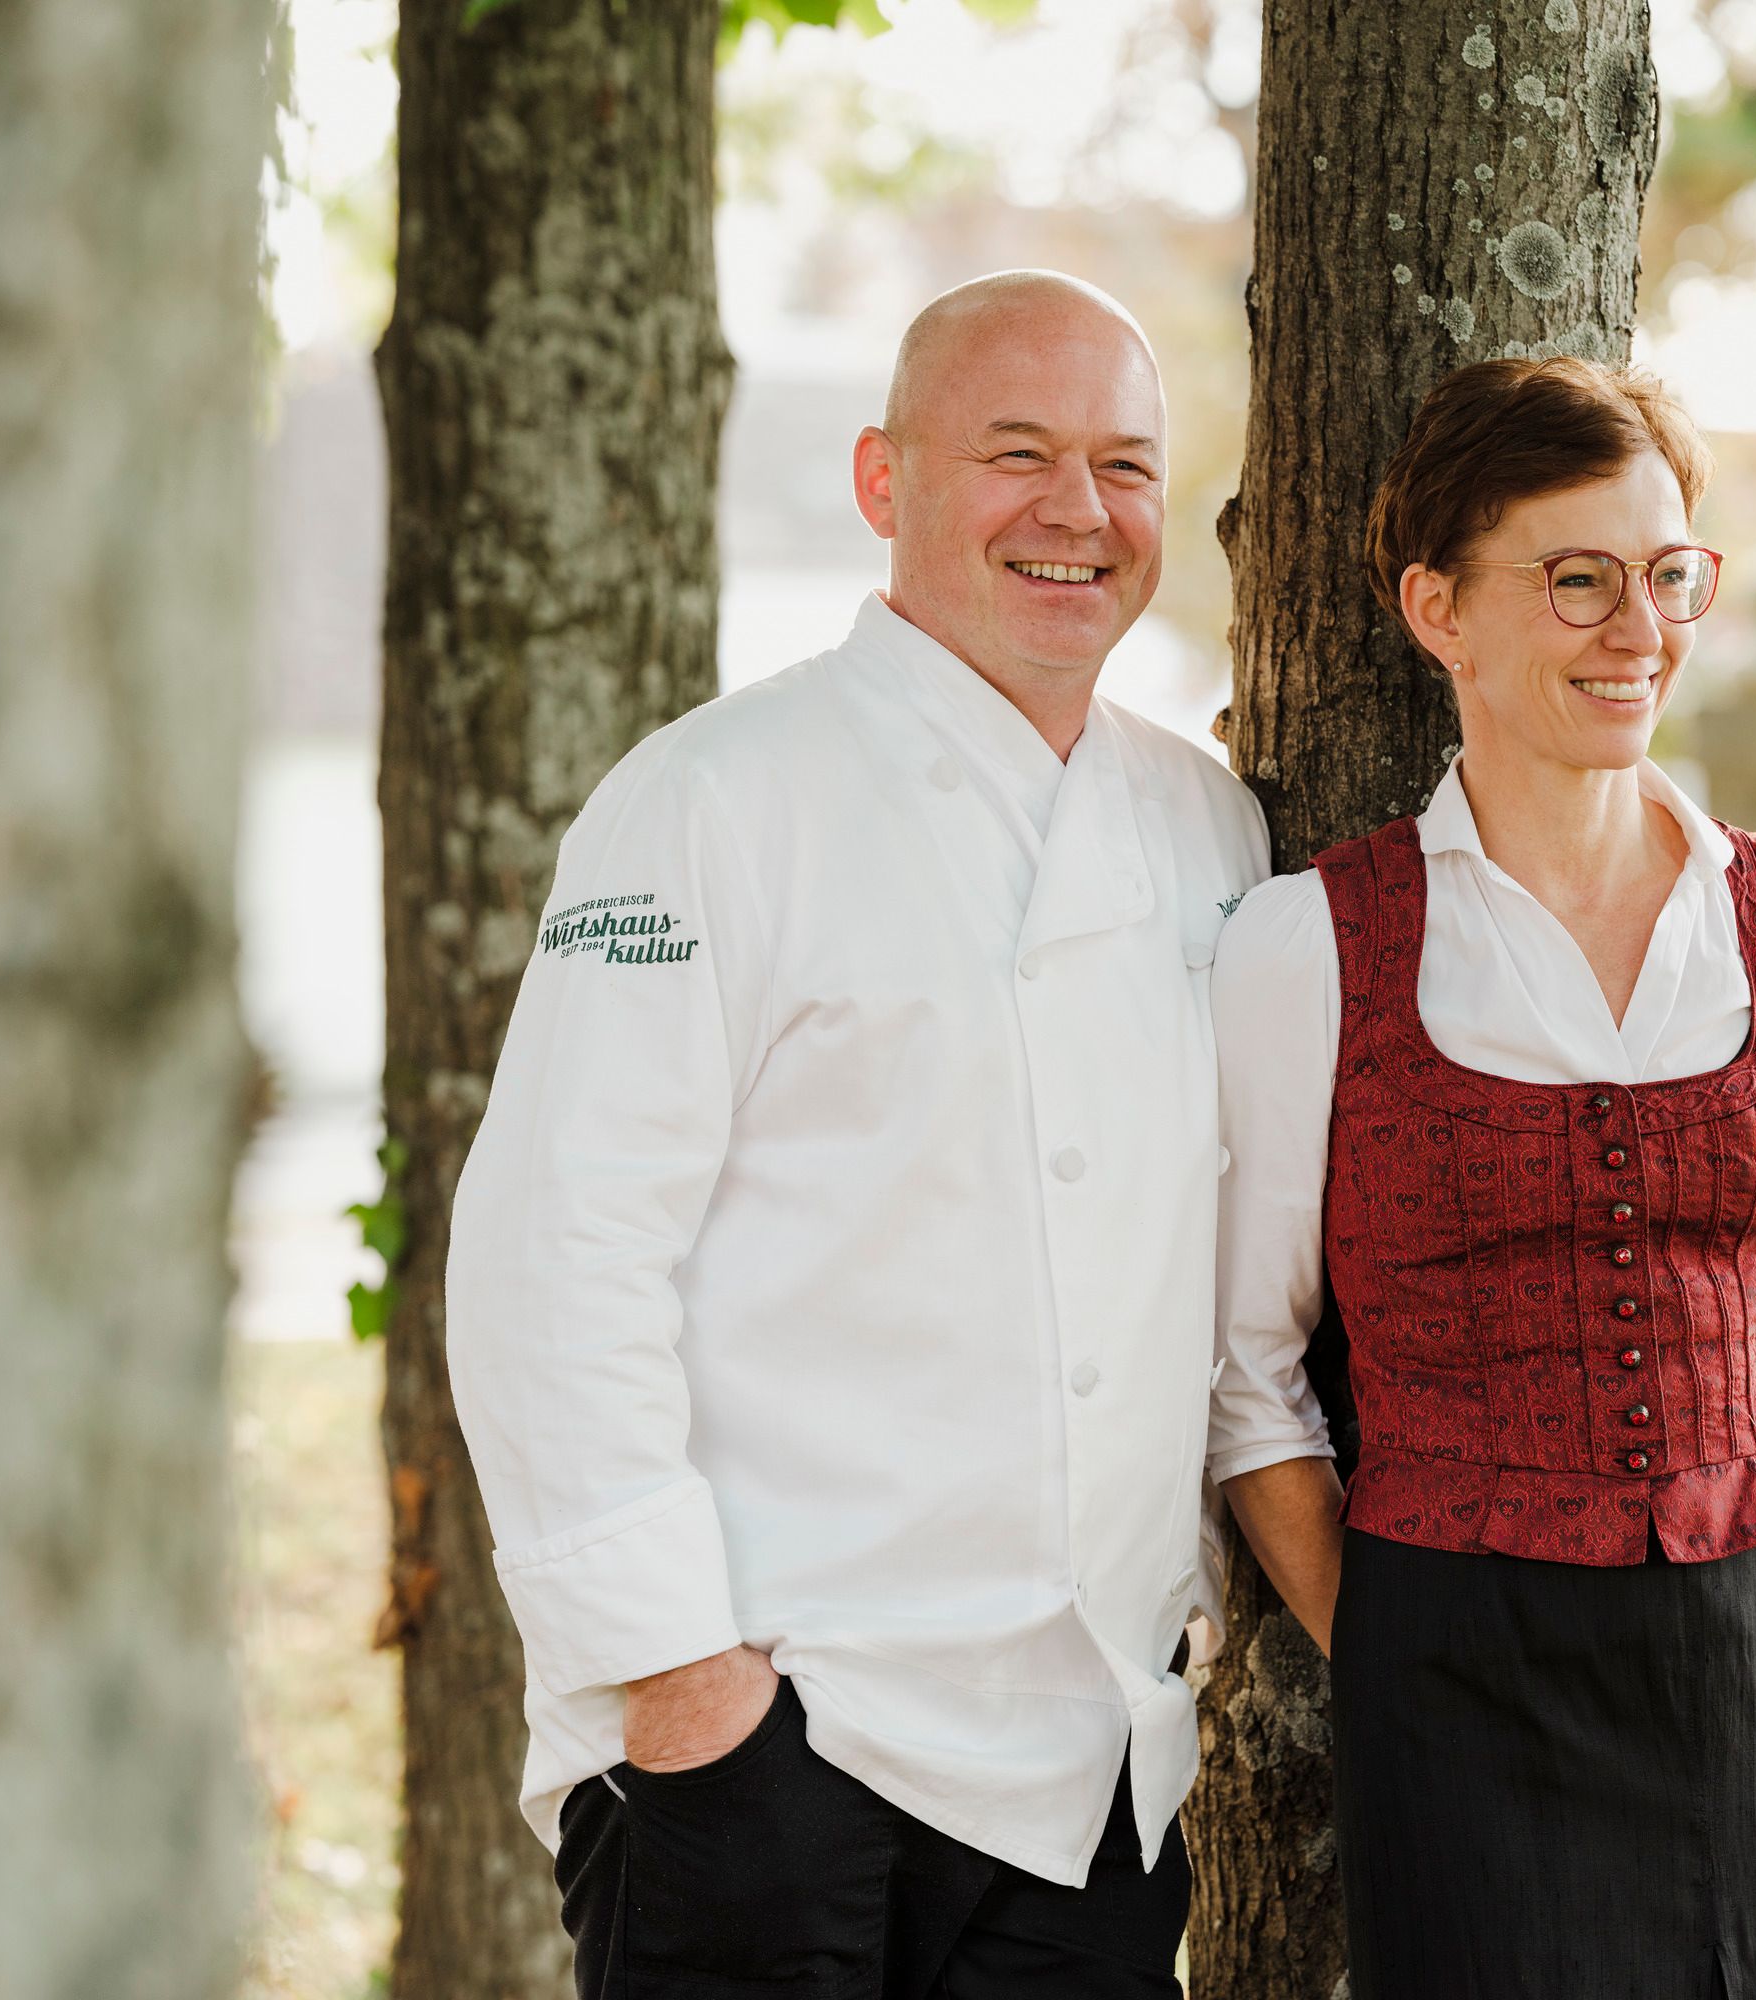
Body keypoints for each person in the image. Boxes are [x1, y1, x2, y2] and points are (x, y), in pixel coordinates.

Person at [447, 270, 1267, 1999]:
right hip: (779, 1745)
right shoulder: (709, 801)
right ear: (882, 482)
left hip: (1090, 1780)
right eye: (1016, 453)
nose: (1077, 511)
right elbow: (554, 1264)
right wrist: (684, 1688)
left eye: (1123, 465)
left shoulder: (1210, 829)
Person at [1204, 356, 1756, 1998]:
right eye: (1573, 578)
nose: (1634, 628)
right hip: (1453, 1671)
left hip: (1751, 1649)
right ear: (1438, 608)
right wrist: (1395, 1638)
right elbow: (1244, 1377)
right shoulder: (1312, 944)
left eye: (1666, 576)